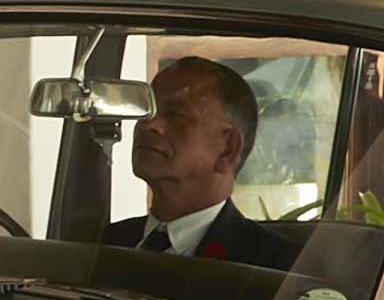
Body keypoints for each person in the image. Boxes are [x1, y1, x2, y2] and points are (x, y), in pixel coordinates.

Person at [106, 56, 302, 269]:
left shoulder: (280, 267)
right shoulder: (101, 246)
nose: (148, 124)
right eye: (148, 110)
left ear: (228, 149)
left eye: (174, 114)